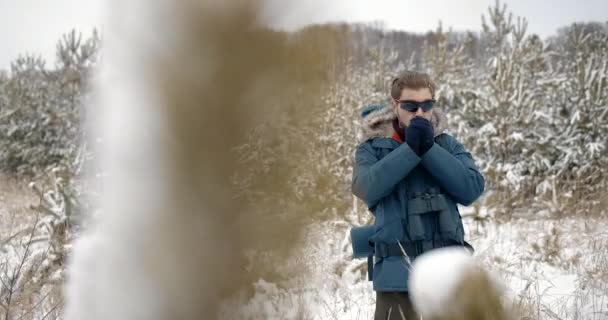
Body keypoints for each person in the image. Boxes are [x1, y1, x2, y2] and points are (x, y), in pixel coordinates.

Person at [352, 71, 485, 319]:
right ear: (395, 105)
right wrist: (410, 151)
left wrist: (429, 149)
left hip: (448, 274)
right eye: (411, 106)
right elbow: (365, 187)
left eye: (427, 105)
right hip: (396, 277)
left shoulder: (447, 144)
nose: (420, 113)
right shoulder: (372, 148)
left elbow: (471, 189)